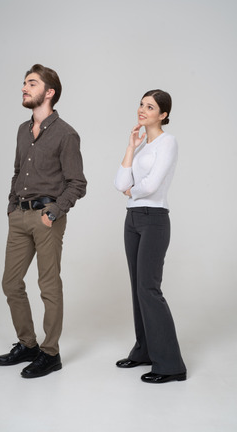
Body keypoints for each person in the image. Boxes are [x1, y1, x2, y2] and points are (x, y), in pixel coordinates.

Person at [0, 64, 87, 379]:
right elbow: (18, 171)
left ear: (49, 92)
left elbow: (77, 183)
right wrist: (11, 207)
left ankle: (50, 353)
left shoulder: (66, 134)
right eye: (23, 83)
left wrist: (53, 212)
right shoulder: (22, 130)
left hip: (47, 218)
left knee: (48, 286)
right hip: (19, 216)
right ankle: (28, 345)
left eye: (31, 83)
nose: (24, 87)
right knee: (10, 283)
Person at [114, 90, 186, 384]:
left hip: (154, 219)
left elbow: (153, 185)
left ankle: (171, 365)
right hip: (132, 219)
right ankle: (144, 349)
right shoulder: (143, 144)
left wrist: (133, 189)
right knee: (137, 288)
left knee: (149, 288)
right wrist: (131, 147)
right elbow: (119, 182)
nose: (142, 110)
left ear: (163, 115)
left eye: (150, 106)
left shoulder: (168, 142)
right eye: (141, 104)